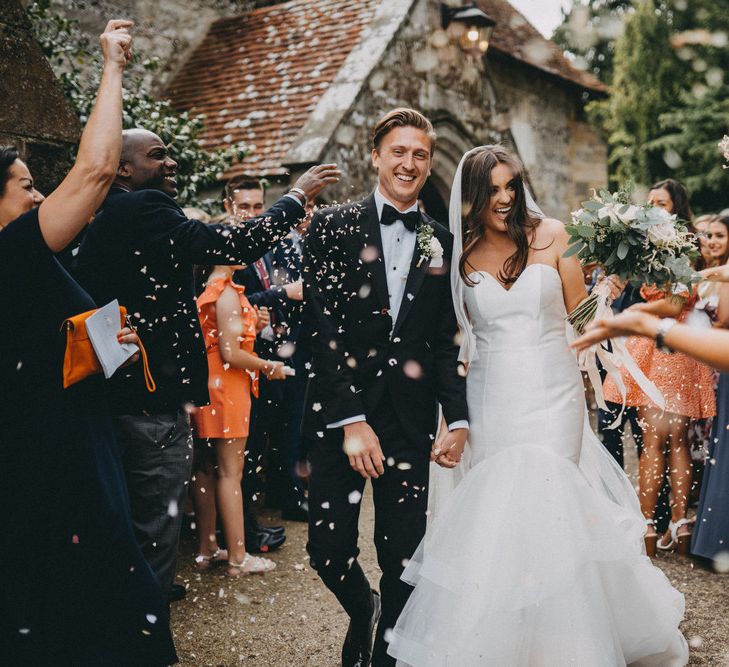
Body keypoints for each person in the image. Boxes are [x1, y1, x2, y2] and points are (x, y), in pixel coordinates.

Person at [388, 145, 688, 666]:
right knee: (501, 511)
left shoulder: (552, 235)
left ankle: (567, 642)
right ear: (473, 197)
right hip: (491, 393)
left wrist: (608, 290)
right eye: (493, 190)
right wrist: (451, 418)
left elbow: (582, 321)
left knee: (551, 498)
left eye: (511, 186)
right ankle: (506, 642)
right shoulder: (457, 253)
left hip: (554, 390)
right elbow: (450, 343)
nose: (505, 198)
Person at [73, 129, 339, 602]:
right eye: (158, 155)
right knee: (157, 525)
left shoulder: (107, 214)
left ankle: (138, 605)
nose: (171, 162)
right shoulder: (142, 208)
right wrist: (296, 198)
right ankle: (147, 631)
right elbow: (234, 245)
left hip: (126, 395)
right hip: (150, 402)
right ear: (123, 169)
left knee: (141, 520)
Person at [0, 22, 177, 665]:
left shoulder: (27, 263)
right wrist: (112, 66)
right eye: (25, 185)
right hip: (50, 475)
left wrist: (98, 346)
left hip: (71, 452)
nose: (40, 194)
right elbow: (98, 169)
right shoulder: (9, 254)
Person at [303, 108, 468, 667]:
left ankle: (388, 658)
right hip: (339, 417)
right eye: (399, 151)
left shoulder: (439, 241)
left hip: (407, 420)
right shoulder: (332, 226)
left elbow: (443, 343)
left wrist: (460, 419)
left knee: (402, 557)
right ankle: (361, 608)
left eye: (420, 154)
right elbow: (318, 330)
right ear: (375, 156)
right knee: (327, 551)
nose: (410, 163)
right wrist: (351, 421)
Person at [601, 182, 715, 555]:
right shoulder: (661, 244)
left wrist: (635, 312)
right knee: (677, 442)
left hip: (664, 346)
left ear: (677, 207)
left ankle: (648, 525)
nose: (652, 208)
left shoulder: (678, 245)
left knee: (653, 444)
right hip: (680, 348)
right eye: (649, 202)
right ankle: (679, 523)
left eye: (660, 203)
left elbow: (671, 303)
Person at [190, 232, 287, 577]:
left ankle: (207, 549)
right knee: (232, 473)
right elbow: (231, 353)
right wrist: (269, 367)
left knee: (206, 468)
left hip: (210, 384)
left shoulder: (210, 289)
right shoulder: (227, 293)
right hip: (229, 387)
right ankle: (238, 558)